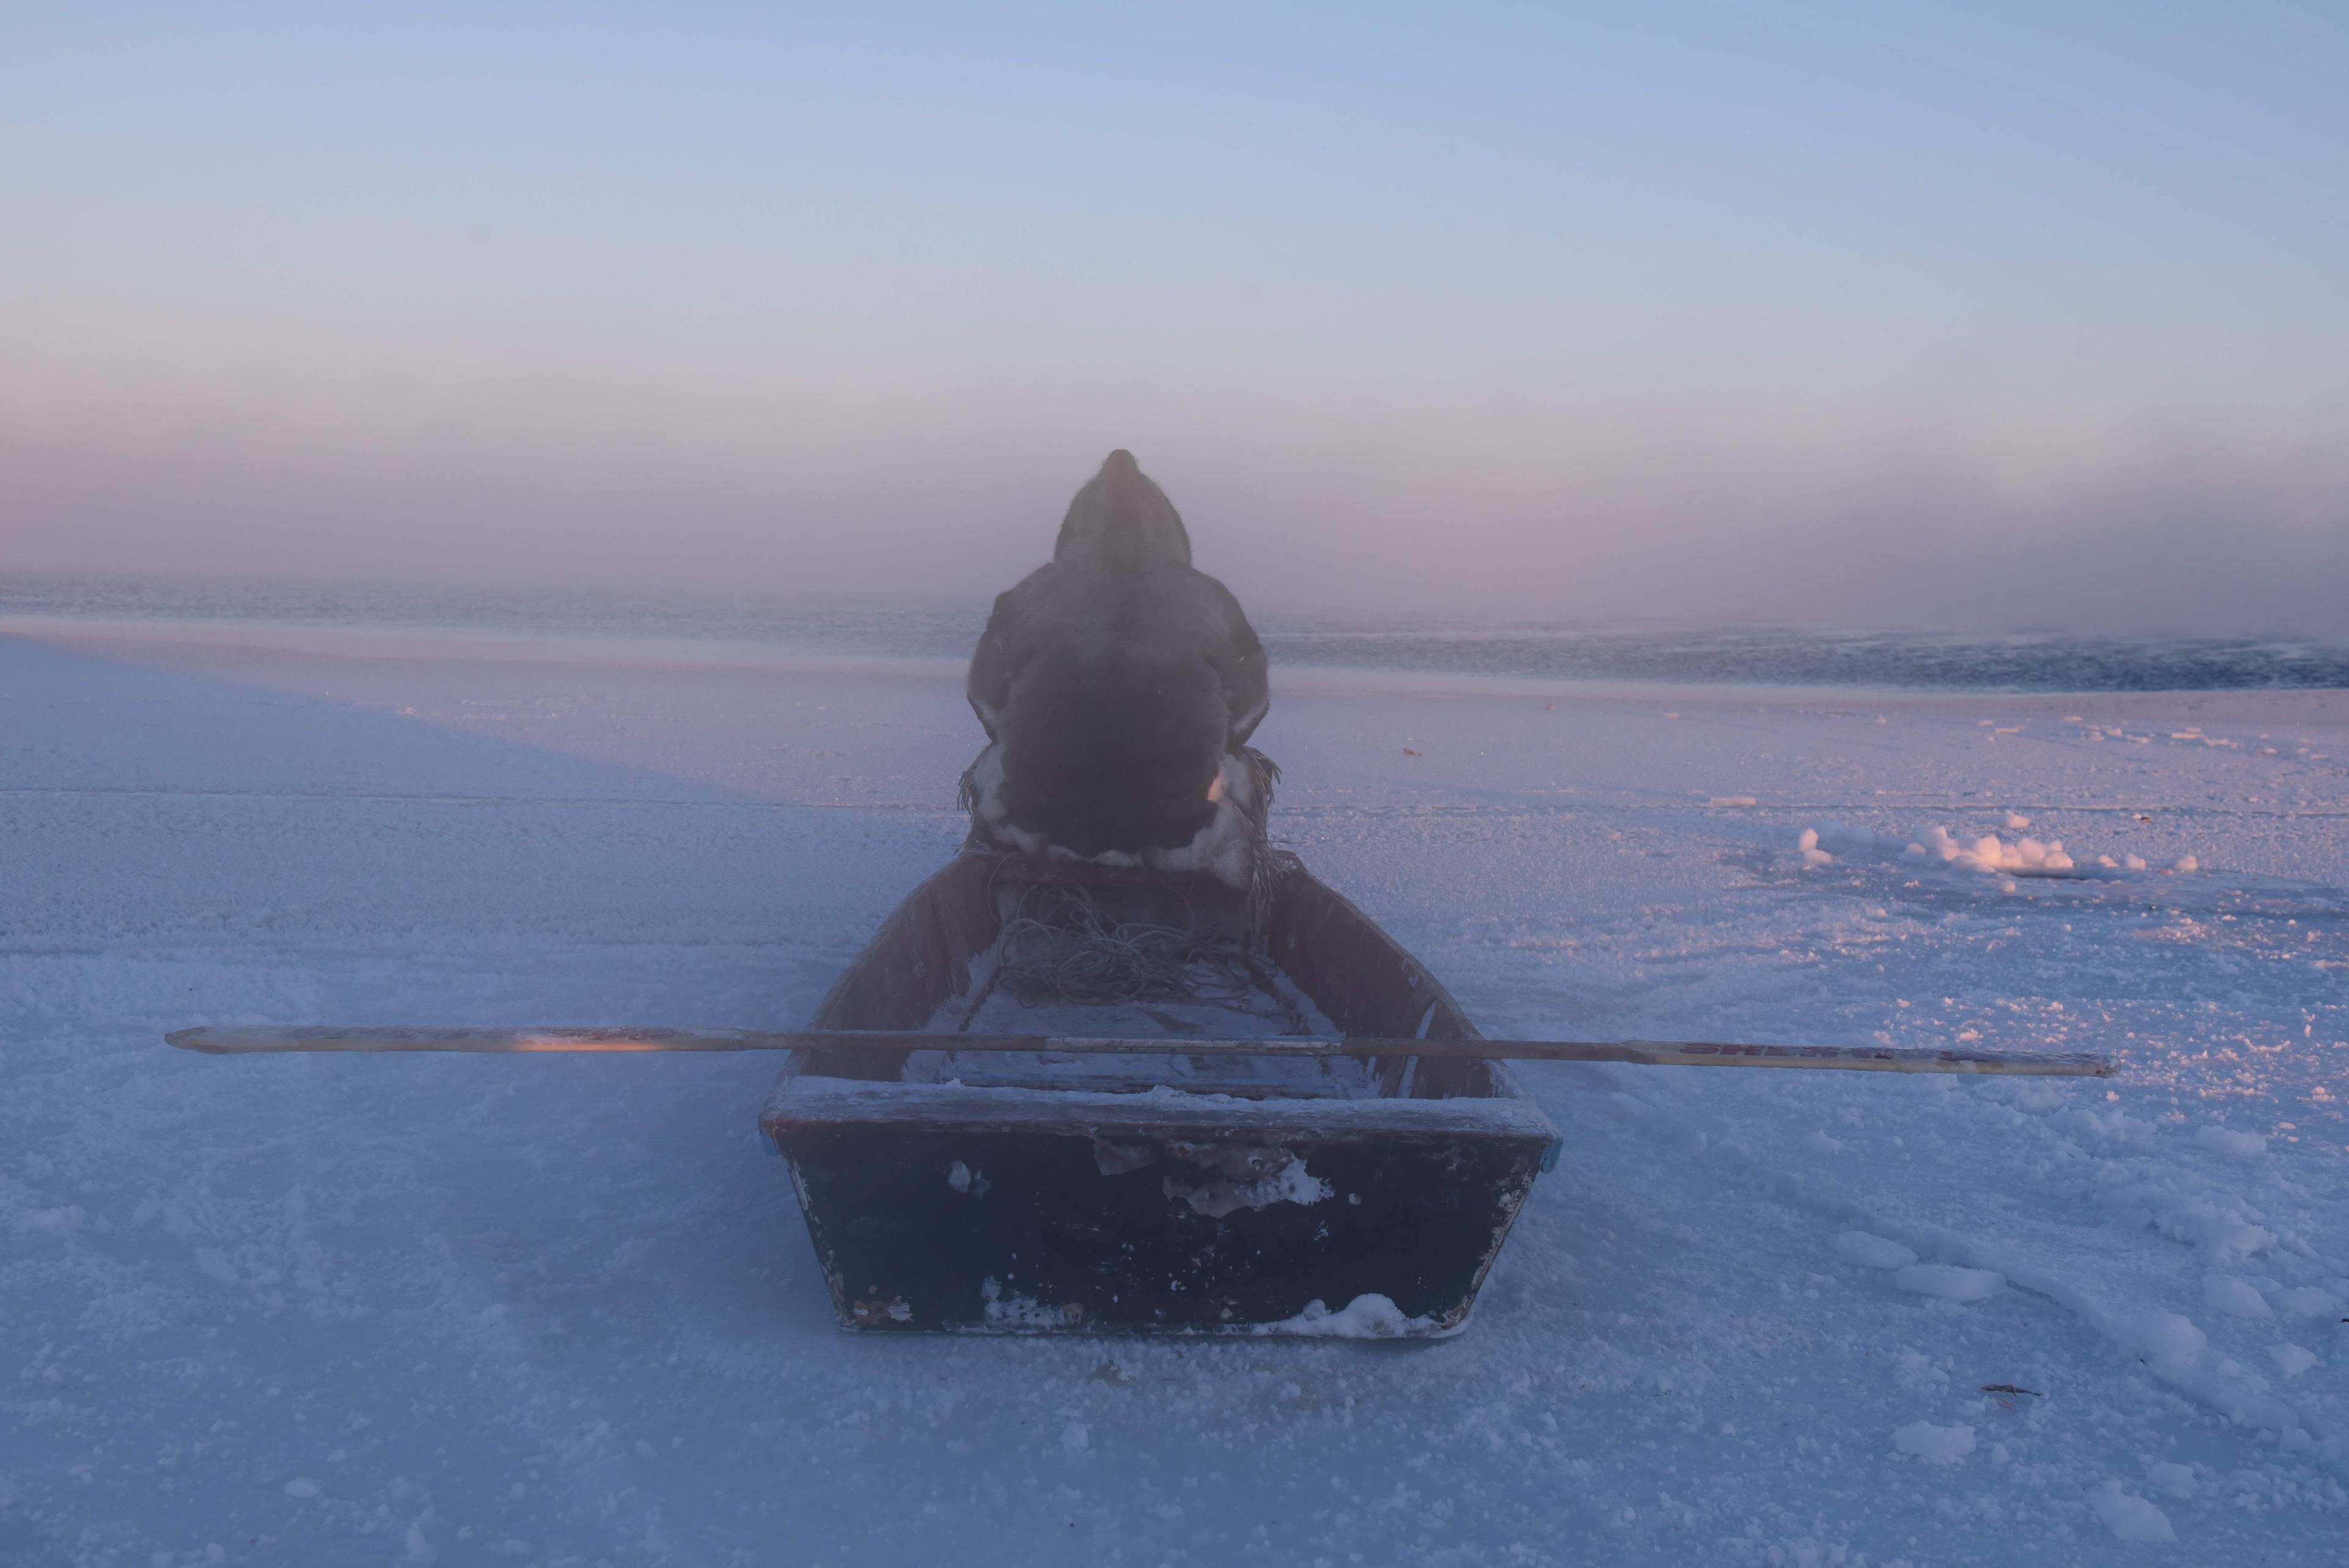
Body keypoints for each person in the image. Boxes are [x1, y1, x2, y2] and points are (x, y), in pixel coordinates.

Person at [961, 450, 1277, 893]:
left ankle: (1003, 879)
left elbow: (982, 693)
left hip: (1036, 831)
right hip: (1183, 838)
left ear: (1075, 528)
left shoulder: (1034, 590)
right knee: (1248, 770)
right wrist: (1215, 744)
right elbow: (1255, 698)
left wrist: (1023, 737)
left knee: (988, 765)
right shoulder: (1209, 595)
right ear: (1171, 529)